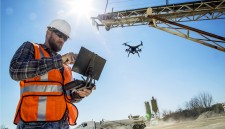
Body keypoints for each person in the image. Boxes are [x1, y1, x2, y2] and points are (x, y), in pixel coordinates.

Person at [9, 19, 96, 129]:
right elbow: (16, 70)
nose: (62, 40)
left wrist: (79, 94)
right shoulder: (32, 47)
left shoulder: (65, 67)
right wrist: (58, 61)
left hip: (62, 124)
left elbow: (68, 96)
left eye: (64, 38)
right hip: (34, 124)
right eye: (59, 35)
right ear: (48, 32)